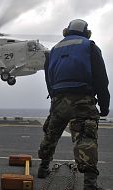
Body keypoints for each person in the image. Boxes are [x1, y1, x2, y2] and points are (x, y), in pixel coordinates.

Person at [37, 19, 110, 190]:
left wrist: (55, 97)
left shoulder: (53, 50)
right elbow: (101, 79)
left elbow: (49, 78)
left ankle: (43, 168)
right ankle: (90, 184)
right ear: (86, 32)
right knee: (86, 138)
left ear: (66, 31)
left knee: (51, 134)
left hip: (58, 101)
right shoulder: (90, 47)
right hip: (83, 100)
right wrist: (105, 106)